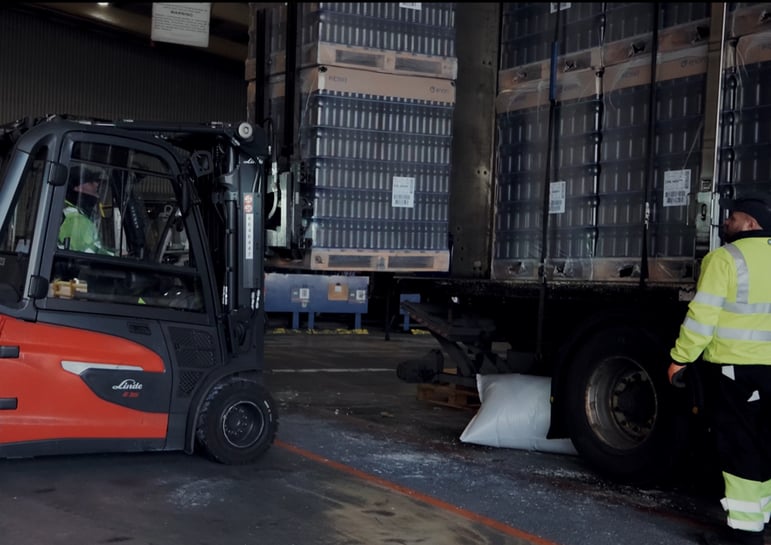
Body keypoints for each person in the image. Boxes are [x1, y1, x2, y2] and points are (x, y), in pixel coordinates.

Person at [669, 193, 771, 545]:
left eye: (733, 217)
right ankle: (761, 518)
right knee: (765, 442)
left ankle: (744, 534)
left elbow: (702, 317)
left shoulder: (725, 259)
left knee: (739, 445)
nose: (726, 222)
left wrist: (680, 358)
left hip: (736, 370)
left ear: (751, 224)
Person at [58, 166, 114, 255]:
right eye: (91, 181)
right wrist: (116, 256)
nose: (96, 184)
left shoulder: (72, 214)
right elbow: (89, 255)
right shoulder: (76, 220)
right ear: (78, 188)